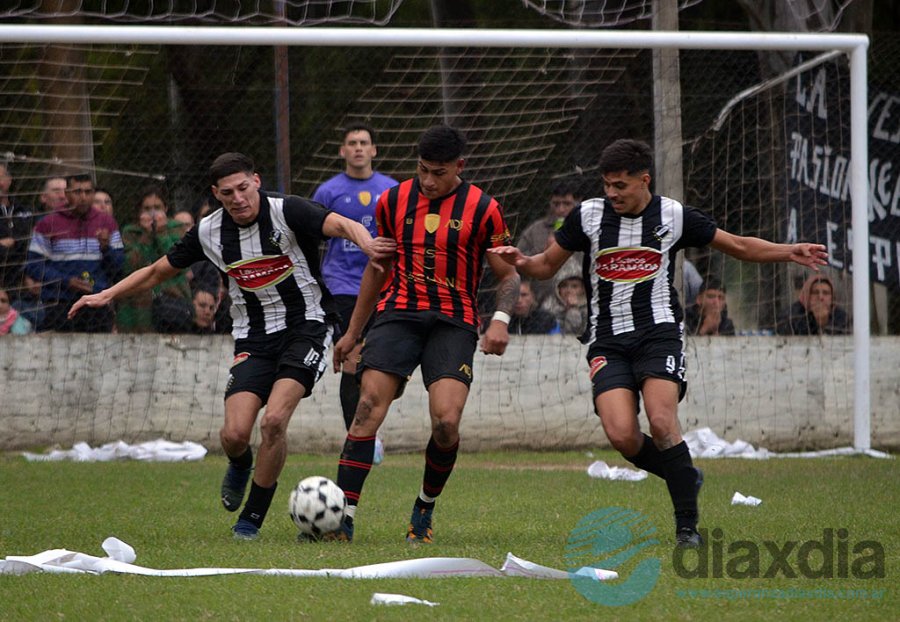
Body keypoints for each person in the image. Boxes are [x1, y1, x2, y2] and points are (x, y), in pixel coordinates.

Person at [489, 139, 827, 548]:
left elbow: (737, 245)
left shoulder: (673, 215)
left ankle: (687, 528)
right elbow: (544, 265)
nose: (611, 193)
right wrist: (519, 261)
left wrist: (789, 251)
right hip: (607, 341)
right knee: (623, 436)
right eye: (607, 184)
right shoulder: (588, 216)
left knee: (663, 422)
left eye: (620, 185)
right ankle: (684, 474)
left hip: (659, 334)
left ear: (644, 180)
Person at [68, 152, 396, 541]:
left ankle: (250, 520)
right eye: (228, 193)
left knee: (273, 421)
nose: (238, 198)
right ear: (216, 194)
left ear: (256, 180)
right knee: (234, 435)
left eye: (243, 187)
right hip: (253, 336)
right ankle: (240, 464)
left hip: (306, 325)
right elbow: (158, 270)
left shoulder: (286, 211)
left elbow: (340, 224)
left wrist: (369, 244)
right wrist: (107, 294)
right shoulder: (208, 231)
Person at [327, 125, 520, 544]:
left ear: (459, 167)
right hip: (398, 314)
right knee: (366, 408)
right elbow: (376, 269)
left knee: (446, 423)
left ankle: (423, 511)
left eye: (439, 172)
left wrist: (502, 317)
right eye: (422, 170)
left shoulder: (484, 209)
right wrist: (352, 333)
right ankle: (342, 517)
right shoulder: (393, 201)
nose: (429, 181)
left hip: (454, 321)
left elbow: (508, 275)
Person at [313, 123, 398, 454]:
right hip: (343, 286)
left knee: (378, 365)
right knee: (351, 358)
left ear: (374, 150)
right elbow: (313, 236)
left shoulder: (392, 189)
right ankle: (360, 439)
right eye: (352, 143)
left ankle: (366, 429)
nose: (359, 148)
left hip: (386, 286)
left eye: (365, 143)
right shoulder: (327, 192)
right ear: (342, 151)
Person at [25, 173, 124, 332]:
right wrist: (66, 281)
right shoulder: (47, 223)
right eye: (78, 192)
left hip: (96, 301)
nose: (83, 197)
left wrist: (106, 249)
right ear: (67, 193)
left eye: (88, 192)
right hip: (59, 302)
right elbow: (34, 266)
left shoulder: (107, 222)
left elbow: (119, 266)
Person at [118, 187, 192, 333]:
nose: (152, 213)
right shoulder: (131, 231)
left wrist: (161, 234)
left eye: (157, 208)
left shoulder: (177, 228)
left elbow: (180, 263)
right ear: (140, 211)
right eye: (147, 208)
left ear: (166, 208)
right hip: (139, 302)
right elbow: (130, 265)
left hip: (173, 297)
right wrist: (146, 236)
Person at [517, 181, 582, 306]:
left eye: (567, 204)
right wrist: (544, 251)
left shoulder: (587, 229)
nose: (561, 209)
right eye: (556, 204)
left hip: (583, 301)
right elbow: (517, 263)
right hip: (542, 301)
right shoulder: (536, 230)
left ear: (578, 202)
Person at [0, 162, 35, 304]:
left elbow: (31, 240)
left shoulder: (24, 210)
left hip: (24, 282)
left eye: (1, 177)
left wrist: (14, 242)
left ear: (9, 180)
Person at [776, 273, 850, 336]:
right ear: (807, 295)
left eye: (826, 293)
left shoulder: (841, 317)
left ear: (832, 298)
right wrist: (815, 323)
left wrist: (824, 324)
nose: (820, 297)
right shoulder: (790, 315)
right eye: (815, 292)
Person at [540, 258, 588, 336]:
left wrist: (573, 309)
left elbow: (577, 333)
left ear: (582, 289)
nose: (569, 290)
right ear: (558, 288)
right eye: (564, 286)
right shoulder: (548, 306)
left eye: (574, 286)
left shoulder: (590, 308)